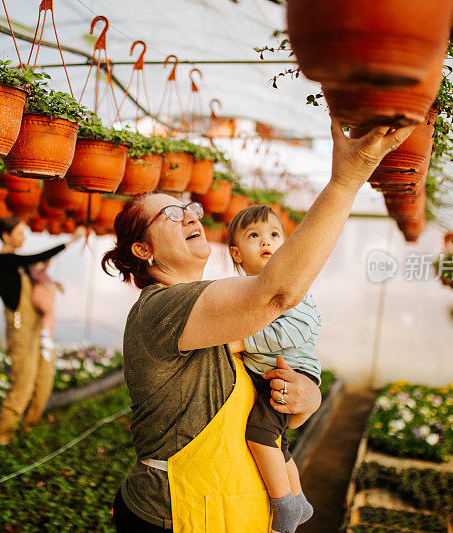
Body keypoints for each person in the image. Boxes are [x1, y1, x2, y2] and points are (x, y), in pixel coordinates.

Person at [102, 118, 416, 533]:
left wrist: (307, 398)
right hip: (178, 515)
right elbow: (277, 294)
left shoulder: (220, 314)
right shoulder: (161, 309)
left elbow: (263, 402)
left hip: (236, 513)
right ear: (144, 250)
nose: (188, 216)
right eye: (170, 214)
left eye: (189, 209)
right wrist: (345, 182)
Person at [226, 205, 322, 533]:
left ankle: (284, 506)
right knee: (279, 443)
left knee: (261, 434)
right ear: (236, 253)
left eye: (274, 235)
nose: (266, 241)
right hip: (269, 374)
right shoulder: (247, 291)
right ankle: (298, 499)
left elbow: (302, 327)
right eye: (254, 236)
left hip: (292, 373)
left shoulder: (290, 285)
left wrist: (243, 342)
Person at [0, 216, 83, 445]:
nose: (24, 238)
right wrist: (71, 241)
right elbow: (37, 257)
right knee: (23, 382)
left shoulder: (19, 265)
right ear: (6, 236)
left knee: (44, 381)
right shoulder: (2, 262)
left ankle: (28, 430)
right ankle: (3, 437)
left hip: (38, 329)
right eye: (20, 233)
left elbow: (38, 269)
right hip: (21, 327)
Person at [28, 259, 65, 362]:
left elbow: (47, 281)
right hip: (41, 297)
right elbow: (37, 275)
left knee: (50, 317)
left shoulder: (43, 274)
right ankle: (45, 334)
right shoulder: (37, 271)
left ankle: (47, 338)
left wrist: (56, 284)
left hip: (44, 297)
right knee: (49, 314)